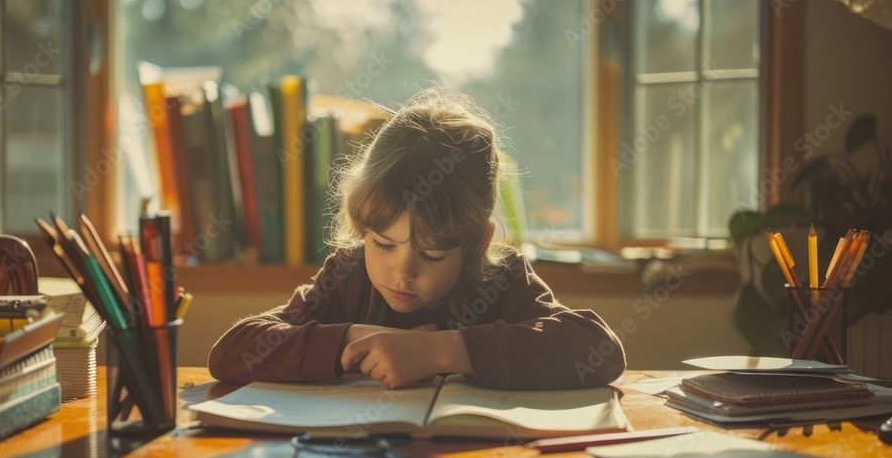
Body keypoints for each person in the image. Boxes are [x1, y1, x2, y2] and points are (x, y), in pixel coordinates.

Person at [208, 87, 625, 390]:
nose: (402, 271)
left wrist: (443, 350)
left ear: (478, 243)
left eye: (433, 253)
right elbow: (231, 354)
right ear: (363, 227)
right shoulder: (348, 277)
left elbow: (599, 350)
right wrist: (353, 340)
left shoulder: (500, 279)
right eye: (383, 244)